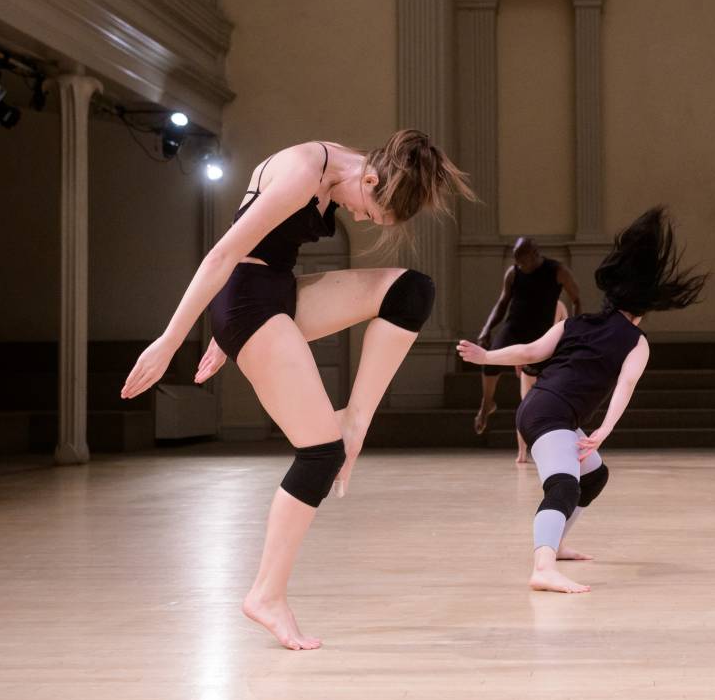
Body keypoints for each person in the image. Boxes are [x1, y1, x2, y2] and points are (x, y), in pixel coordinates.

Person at [121, 130, 473, 649]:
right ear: (369, 180)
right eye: (370, 212)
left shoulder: (356, 166)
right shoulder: (303, 170)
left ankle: (356, 419)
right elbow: (222, 255)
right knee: (321, 453)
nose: (361, 219)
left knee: (411, 290)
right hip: (246, 301)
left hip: (277, 291)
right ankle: (266, 595)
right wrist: (171, 341)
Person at [457, 207, 706, 593]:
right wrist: (604, 429)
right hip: (550, 416)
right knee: (563, 486)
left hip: (540, 408)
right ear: (645, 307)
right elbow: (624, 387)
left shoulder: (576, 323)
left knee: (593, 476)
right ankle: (542, 568)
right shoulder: (636, 342)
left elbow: (530, 351)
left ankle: (554, 545)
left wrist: (486, 356)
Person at [473, 237, 583, 460]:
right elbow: (502, 304)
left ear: (534, 253)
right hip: (514, 328)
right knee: (489, 360)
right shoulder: (513, 273)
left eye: (522, 260)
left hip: (539, 335)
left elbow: (577, 299)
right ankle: (486, 405)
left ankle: (546, 438)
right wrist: (486, 329)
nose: (519, 264)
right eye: (516, 261)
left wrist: (574, 331)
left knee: (537, 386)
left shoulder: (557, 271)